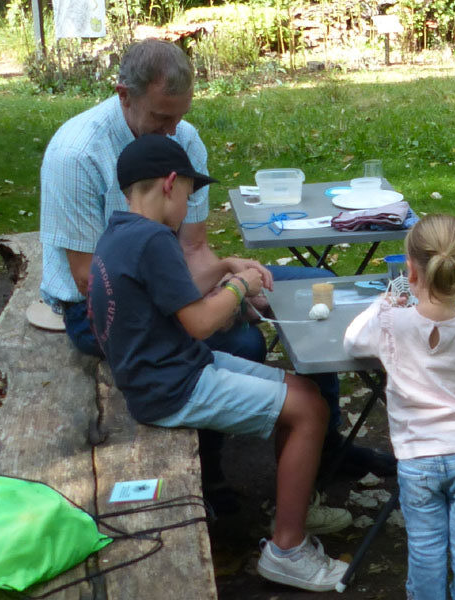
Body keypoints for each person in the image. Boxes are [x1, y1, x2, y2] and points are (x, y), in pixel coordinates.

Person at [38, 38, 395, 496]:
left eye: (180, 116)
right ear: (123, 94)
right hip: (100, 314)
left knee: (313, 286)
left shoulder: (183, 139)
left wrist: (227, 282)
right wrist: (225, 299)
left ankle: (323, 448)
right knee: (243, 340)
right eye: (161, 118)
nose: (173, 132)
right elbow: (90, 280)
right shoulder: (77, 153)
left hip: (171, 289)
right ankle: (210, 475)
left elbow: (192, 249)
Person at [87, 134, 349, 592]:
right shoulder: (153, 239)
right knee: (310, 411)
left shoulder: (122, 232)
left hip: (167, 370)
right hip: (171, 388)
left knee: (305, 393)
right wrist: (239, 287)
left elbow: (176, 290)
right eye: (190, 193)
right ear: (170, 183)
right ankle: (286, 550)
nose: (189, 205)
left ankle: (293, 509)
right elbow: (200, 322)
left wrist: (226, 265)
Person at [343, 214, 455, 600]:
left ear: (411, 271)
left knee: (425, 545)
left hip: (418, 457)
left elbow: (352, 341)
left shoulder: (391, 323)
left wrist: (383, 300)